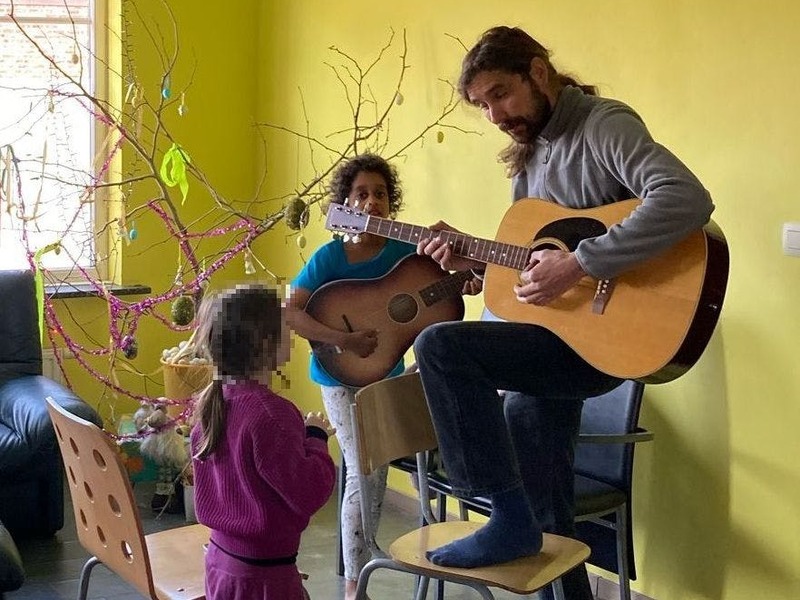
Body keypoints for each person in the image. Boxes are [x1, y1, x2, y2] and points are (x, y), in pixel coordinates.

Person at [413, 25, 714, 599]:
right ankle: (534, 541)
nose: (495, 115)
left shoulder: (602, 125)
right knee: (548, 508)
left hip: (608, 342)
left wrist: (580, 263)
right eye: (482, 105)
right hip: (562, 336)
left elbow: (685, 197)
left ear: (538, 72)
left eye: (501, 94)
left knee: (440, 347)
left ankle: (503, 516)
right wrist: (475, 266)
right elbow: (530, 268)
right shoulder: (530, 156)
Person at [285, 153, 417, 600]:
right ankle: (354, 583)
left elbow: (434, 296)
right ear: (346, 204)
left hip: (386, 374)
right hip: (337, 375)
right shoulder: (329, 258)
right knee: (363, 468)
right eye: (361, 194)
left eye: (380, 194)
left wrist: (469, 280)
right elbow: (291, 312)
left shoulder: (405, 254)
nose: (372, 202)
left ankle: (366, 555)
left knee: (375, 470)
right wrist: (342, 339)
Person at [191, 284, 336, 600]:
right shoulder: (273, 414)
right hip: (264, 576)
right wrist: (316, 437)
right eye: (286, 325)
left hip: (219, 564)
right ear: (267, 344)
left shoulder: (211, 404)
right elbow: (309, 492)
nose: (292, 333)